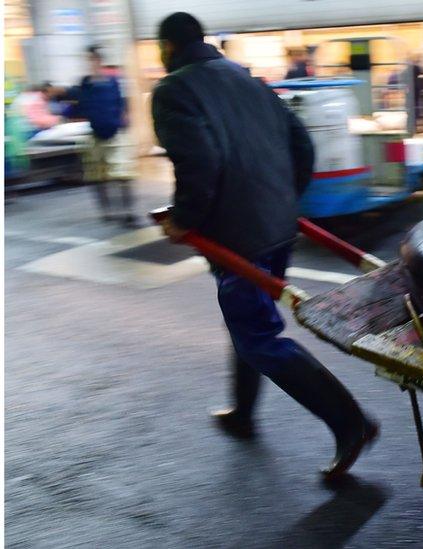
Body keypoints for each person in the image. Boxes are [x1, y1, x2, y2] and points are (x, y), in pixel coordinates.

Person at [152, 12, 378, 480]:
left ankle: (351, 422)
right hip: (276, 225)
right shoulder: (243, 76)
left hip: (235, 233)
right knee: (248, 320)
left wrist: (183, 220)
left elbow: (199, 162)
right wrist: (284, 199)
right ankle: (242, 412)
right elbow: (301, 142)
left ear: (168, 47)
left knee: (256, 333)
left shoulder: (174, 90)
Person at [65, 46, 137, 226]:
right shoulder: (85, 84)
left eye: (92, 60)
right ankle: (107, 211)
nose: (90, 64)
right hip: (95, 133)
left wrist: (124, 121)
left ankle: (128, 210)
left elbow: (122, 104)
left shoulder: (113, 82)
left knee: (122, 174)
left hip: (114, 132)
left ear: (99, 60)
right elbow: (78, 106)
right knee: (97, 176)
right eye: (88, 60)